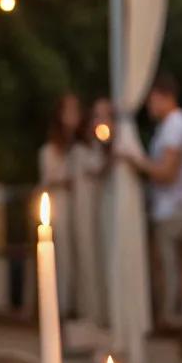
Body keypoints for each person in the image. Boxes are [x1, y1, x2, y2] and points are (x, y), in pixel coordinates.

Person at [123, 72, 182, 325]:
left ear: (163, 96)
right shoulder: (173, 125)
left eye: (151, 99)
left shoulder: (175, 126)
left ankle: (171, 316)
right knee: (167, 262)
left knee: (167, 264)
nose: (148, 105)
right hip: (172, 206)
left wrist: (136, 162)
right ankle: (171, 315)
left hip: (174, 208)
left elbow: (167, 173)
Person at [38, 94, 82, 316]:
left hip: (81, 208)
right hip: (61, 206)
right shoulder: (50, 150)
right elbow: (48, 180)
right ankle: (60, 306)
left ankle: (78, 302)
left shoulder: (81, 146)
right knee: (61, 255)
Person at [69, 101, 111, 329]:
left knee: (98, 259)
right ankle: (90, 311)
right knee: (87, 258)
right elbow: (97, 168)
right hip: (84, 209)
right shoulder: (79, 151)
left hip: (98, 208)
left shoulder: (95, 147)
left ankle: (102, 311)